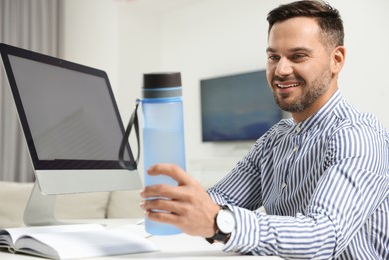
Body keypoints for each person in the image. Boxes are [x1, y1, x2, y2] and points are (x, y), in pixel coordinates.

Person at [140, 0, 389, 259]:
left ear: (336, 60)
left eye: (298, 56)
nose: (280, 70)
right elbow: (221, 199)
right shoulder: (274, 139)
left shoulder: (359, 136)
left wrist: (220, 223)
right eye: (273, 57)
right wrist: (180, 204)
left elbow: (324, 236)